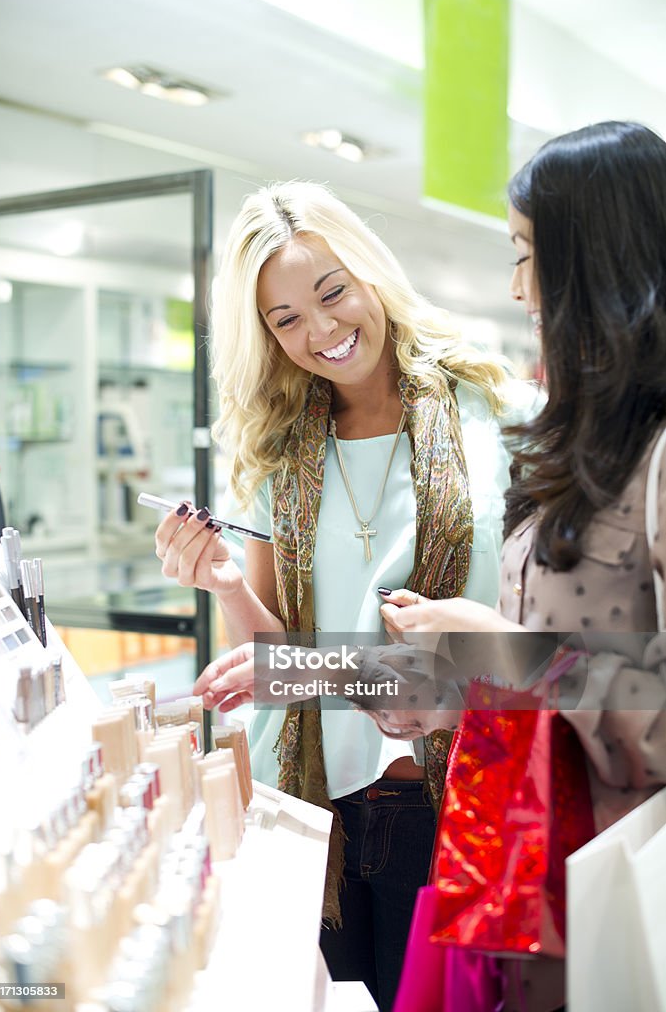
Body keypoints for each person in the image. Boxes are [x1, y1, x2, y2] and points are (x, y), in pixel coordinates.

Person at [154, 181, 539, 1011]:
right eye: (285, 319)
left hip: (455, 788)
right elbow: (277, 661)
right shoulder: (276, 446)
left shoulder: (496, 409)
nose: (320, 331)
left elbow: (545, 628)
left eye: (331, 294)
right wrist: (224, 583)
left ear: (369, 273)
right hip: (314, 799)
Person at [377, 120, 666, 1011]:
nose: (515, 290)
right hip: (525, 876)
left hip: (618, 907)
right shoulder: (576, 445)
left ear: (596, 261)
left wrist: (501, 649)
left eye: (524, 254)